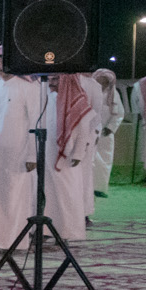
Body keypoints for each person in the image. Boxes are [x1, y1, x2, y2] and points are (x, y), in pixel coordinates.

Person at [0, 71, 50, 252]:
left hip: (17, 153)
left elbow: (36, 123)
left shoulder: (29, 88)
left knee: (12, 197)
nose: (0, 66)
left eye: (3, 60)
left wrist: (32, 155)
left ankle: (12, 240)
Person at [43, 72, 98, 241]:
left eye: (55, 79)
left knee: (67, 193)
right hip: (48, 152)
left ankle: (68, 232)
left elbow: (84, 128)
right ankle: (48, 230)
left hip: (69, 154)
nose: (51, 83)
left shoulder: (78, 99)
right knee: (48, 193)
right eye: (49, 79)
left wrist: (79, 153)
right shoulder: (46, 97)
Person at [91, 68, 124, 197]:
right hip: (90, 133)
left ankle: (100, 188)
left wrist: (110, 127)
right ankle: (89, 189)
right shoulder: (89, 93)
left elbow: (119, 113)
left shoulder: (114, 95)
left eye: (105, 82)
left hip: (105, 135)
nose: (102, 85)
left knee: (105, 161)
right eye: (99, 81)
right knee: (91, 162)